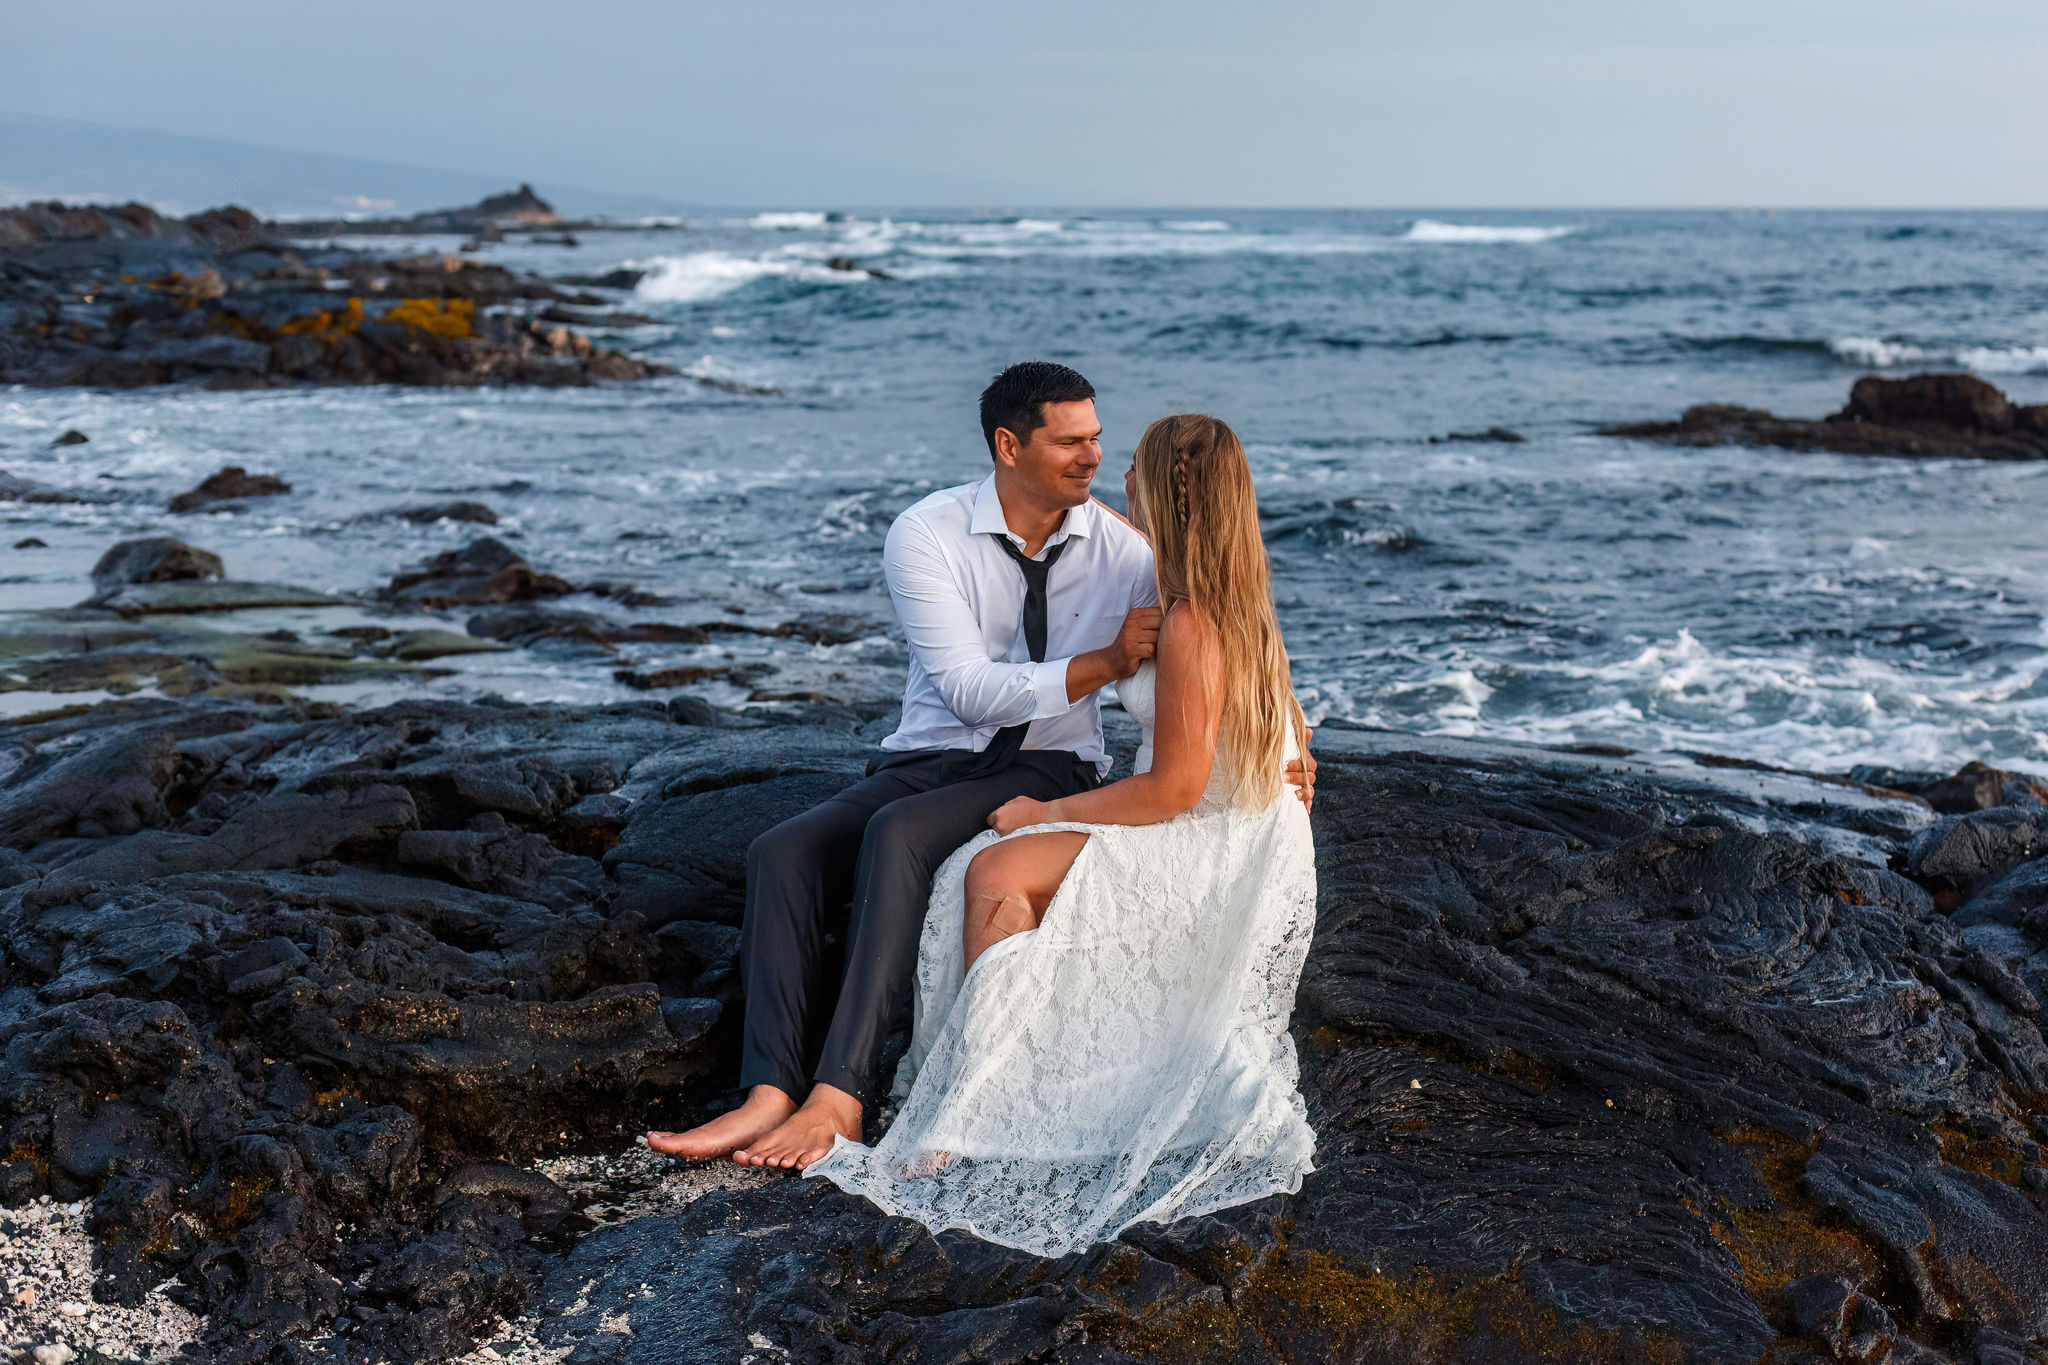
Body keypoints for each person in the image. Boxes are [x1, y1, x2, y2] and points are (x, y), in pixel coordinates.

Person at [646, 364, 1315, 1168]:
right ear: (1009, 444)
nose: (1094, 456)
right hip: (939, 754)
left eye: (1099, 438)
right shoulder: (927, 533)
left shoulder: (1129, 550)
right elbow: (966, 691)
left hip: (1047, 765)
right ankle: (766, 1093)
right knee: (780, 852)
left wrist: (1292, 740)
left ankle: (841, 1097)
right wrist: (1102, 661)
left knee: (897, 837)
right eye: (1072, 440)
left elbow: (1230, 617)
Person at [803, 413, 1319, 1257]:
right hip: (1238, 818)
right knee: (986, 865)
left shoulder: (1194, 617)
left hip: (1211, 835)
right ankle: (989, 1081)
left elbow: (1176, 786)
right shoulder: (1226, 588)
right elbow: (1257, 713)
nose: (1114, 480)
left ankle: (981, 1105)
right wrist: (1296, 754)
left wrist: (1048, 812)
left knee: (997, 870)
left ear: (1167, 500)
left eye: (1135, 474)